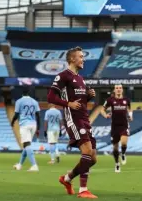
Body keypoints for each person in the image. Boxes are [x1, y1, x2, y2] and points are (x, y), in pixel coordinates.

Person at [47, 46, 98, 199]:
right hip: (73, 119)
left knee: (93, 159)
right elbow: (50, 97)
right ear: (72, 59)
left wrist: (88, 96)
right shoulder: (63, 76)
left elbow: (81, 102)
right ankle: (83, 190)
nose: (83, 59)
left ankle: (67, 179)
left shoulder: (81, 79)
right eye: (81, 57)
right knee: (87, 152)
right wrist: (68, 104)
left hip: (84, 118)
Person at [101, 84, 132, 173]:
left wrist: (130, 116)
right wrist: (105, 115)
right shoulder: (110, 100)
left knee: (124, 143)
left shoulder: (126, 100)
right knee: (115, 148)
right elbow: (102, 110)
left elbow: (129, 109)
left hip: (124, 125)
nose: (118, 89)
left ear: (122, 90)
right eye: (117, 88)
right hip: (114, 127)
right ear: (114, 90)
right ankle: (117, 164)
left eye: (120, 88)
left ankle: (123, 153)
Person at [11, 87, 41, 172]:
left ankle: (34, 165)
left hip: (25, 125)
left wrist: (12, 122)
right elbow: (38, 115)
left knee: (27, 144)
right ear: (29, 93)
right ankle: (19, 165)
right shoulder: (35, 102)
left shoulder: (19, 101)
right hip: (33, 125)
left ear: (22, 93)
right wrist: (38, 128)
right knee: (26, 145)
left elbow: (16, 114)